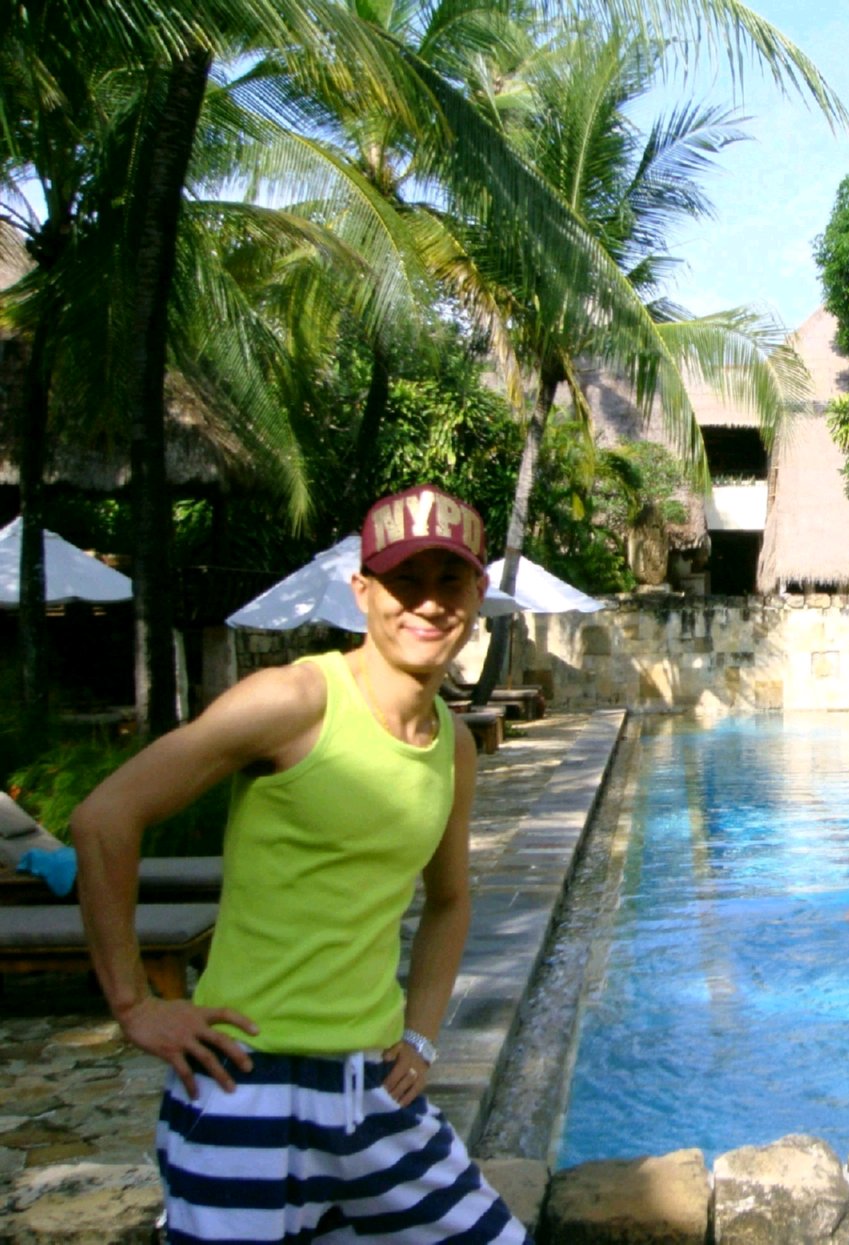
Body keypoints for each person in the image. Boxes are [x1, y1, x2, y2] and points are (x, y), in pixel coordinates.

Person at [71, 484, 526, 1243]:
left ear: (478, 593)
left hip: (373, 1093)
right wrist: (134, 1005)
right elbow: (104, 818)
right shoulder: (294, 701)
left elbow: (449, 901)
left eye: (450, 580)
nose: (428, 602)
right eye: (404, 580)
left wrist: (421, 1037)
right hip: (246, 1083)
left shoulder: (453, 745)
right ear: (362, 590)